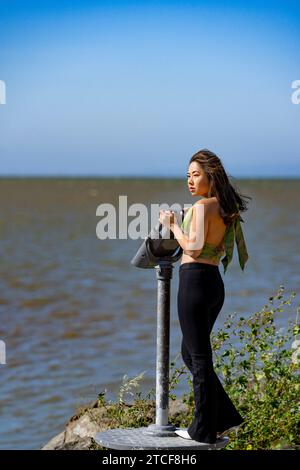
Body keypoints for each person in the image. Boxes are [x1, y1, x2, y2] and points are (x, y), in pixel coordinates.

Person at [159, 148, 251, 444]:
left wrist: (173, 225)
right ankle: (224, 416)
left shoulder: (201, 208)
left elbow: (194, 249)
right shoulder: (224, 207)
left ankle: (203, 430)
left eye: (196, 175)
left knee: (198, 357)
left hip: (195, 282)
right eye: (187, 175)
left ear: (210, 176)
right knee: (191, 353)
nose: (190, 180)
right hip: (213, 284)